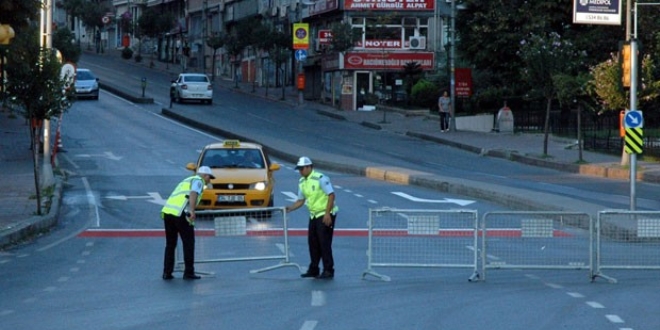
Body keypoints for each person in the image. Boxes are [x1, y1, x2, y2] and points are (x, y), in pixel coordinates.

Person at [285, 157, 339, 279]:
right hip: (314, 214)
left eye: (302, 169)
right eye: (299, 169)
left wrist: (327, 214)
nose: (300, 171)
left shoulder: (320, 178)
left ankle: (328, 269)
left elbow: (331, 195)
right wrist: (290, 208)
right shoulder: (302, 182)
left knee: (324, 243)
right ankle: (314, 269)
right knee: (313, 243)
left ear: (309, 167)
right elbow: (300, 200)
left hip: (325, 214)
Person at [160, 166, 215, 280]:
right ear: (205, 176)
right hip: (181, 214)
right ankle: (189, 272)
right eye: (210, 177)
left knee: (170, 244)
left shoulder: (186, 180)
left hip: (168, 213)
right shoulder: (198, 181)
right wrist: (192, 210)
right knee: (188, 243)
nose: (210, 180)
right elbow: (193, 193)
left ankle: (167, 272)